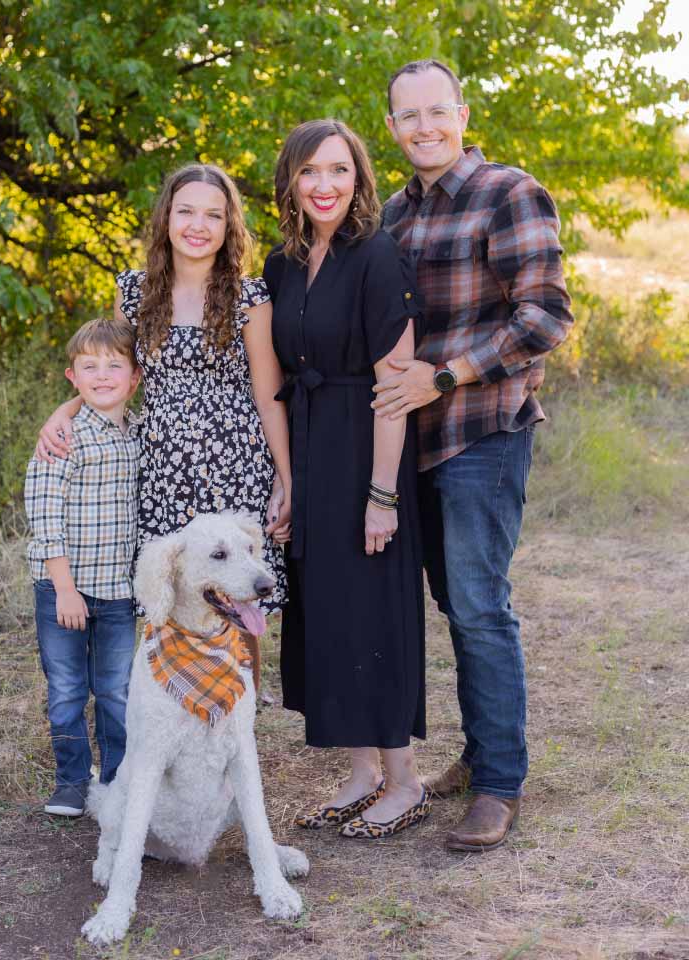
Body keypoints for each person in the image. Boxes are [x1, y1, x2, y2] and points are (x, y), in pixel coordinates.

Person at [374, 59, 573, 851]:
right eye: (408, 117)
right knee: (457, 604)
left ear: (461, 112)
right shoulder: (394, 213)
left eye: (436, 112)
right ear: (392, 128)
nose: (424, 127)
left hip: (483, 430)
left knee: (481, 604)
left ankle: (499, 785)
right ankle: (481, 750)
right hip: (415, 443)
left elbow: (547, 316)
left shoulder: (508, 192)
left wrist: (447, 374)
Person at [36, 165, 292, 634]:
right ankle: (169, 702)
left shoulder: (250, 298)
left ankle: (239, 703)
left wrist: (285, 480)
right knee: (166, 591)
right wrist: (66, 409)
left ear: (229, 225)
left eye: (213, 215)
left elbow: (269, 398)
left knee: (237, 598)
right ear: (166, 218)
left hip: (235, 467)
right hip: (160, 468)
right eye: (186, 211)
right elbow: (115, 371)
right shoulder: (134, 292)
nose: (198, 225)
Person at [264, 119, 428, 839]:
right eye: (310, 172)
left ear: (359, 177)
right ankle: (362, 775)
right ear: (291, 182)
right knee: (328, 614)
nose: (325, 185)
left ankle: (405, 782)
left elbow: (395, 387)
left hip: (367, 450)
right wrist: (288, 478)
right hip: (310, 448)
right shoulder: (285, 263)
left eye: (339, 170)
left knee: (373, 614)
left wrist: (382, 495)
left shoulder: (379, 256)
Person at [25, 318, 142, 817]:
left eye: (114, 365)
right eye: (89, 366)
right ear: (72, 377)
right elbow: (45, 518)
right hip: (63, 590)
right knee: (68, 689)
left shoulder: (141, 434)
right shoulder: (63, 439)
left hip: (117, 592)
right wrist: (65, 588)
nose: (102, 375)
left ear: (135, 378)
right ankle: (73, 780)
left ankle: (116, 781)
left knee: (117, 691)